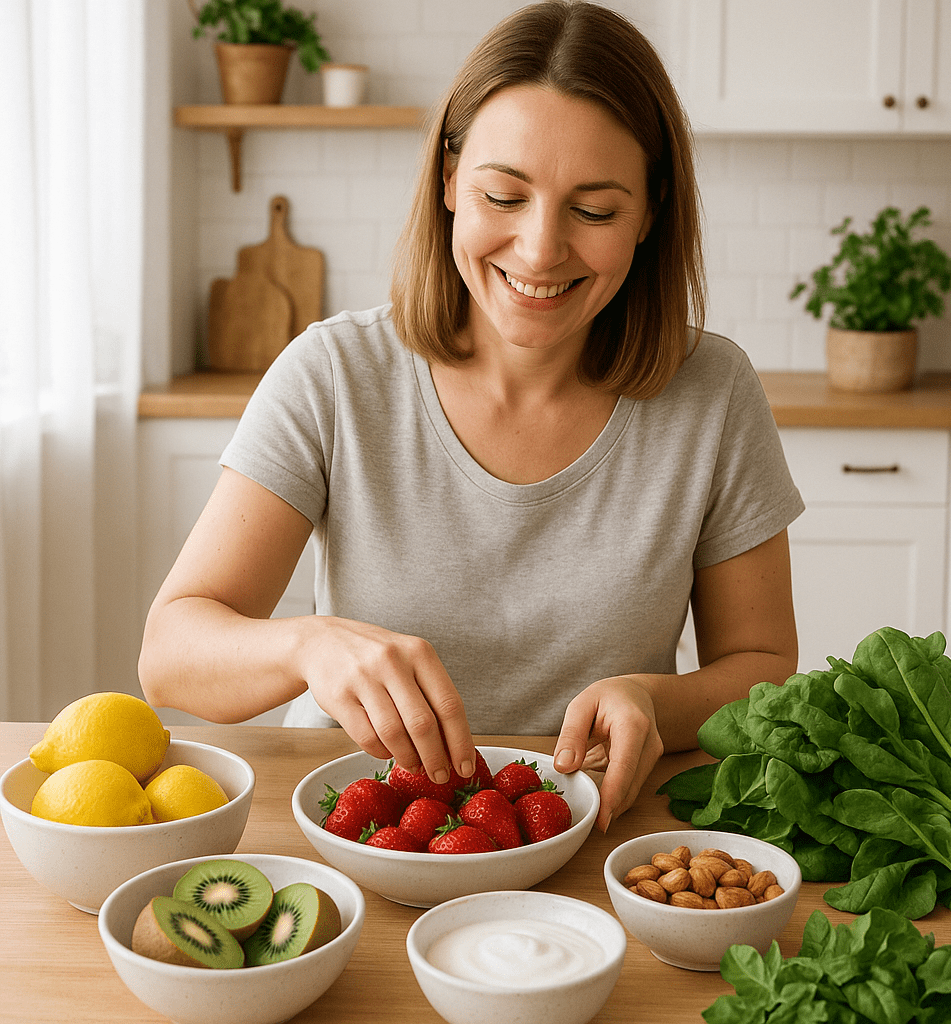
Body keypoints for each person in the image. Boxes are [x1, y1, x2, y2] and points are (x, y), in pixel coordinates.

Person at [138, 0, 803, 833]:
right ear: (450, 180)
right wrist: (308, 644)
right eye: (503, 195)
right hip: (361, 831)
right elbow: (170, 657)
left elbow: (763, 667)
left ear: (650, 212)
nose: (540, 249)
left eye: (595, 211)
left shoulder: (713, 392)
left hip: (592, 832)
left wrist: (654, 701)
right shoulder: (334, 373)